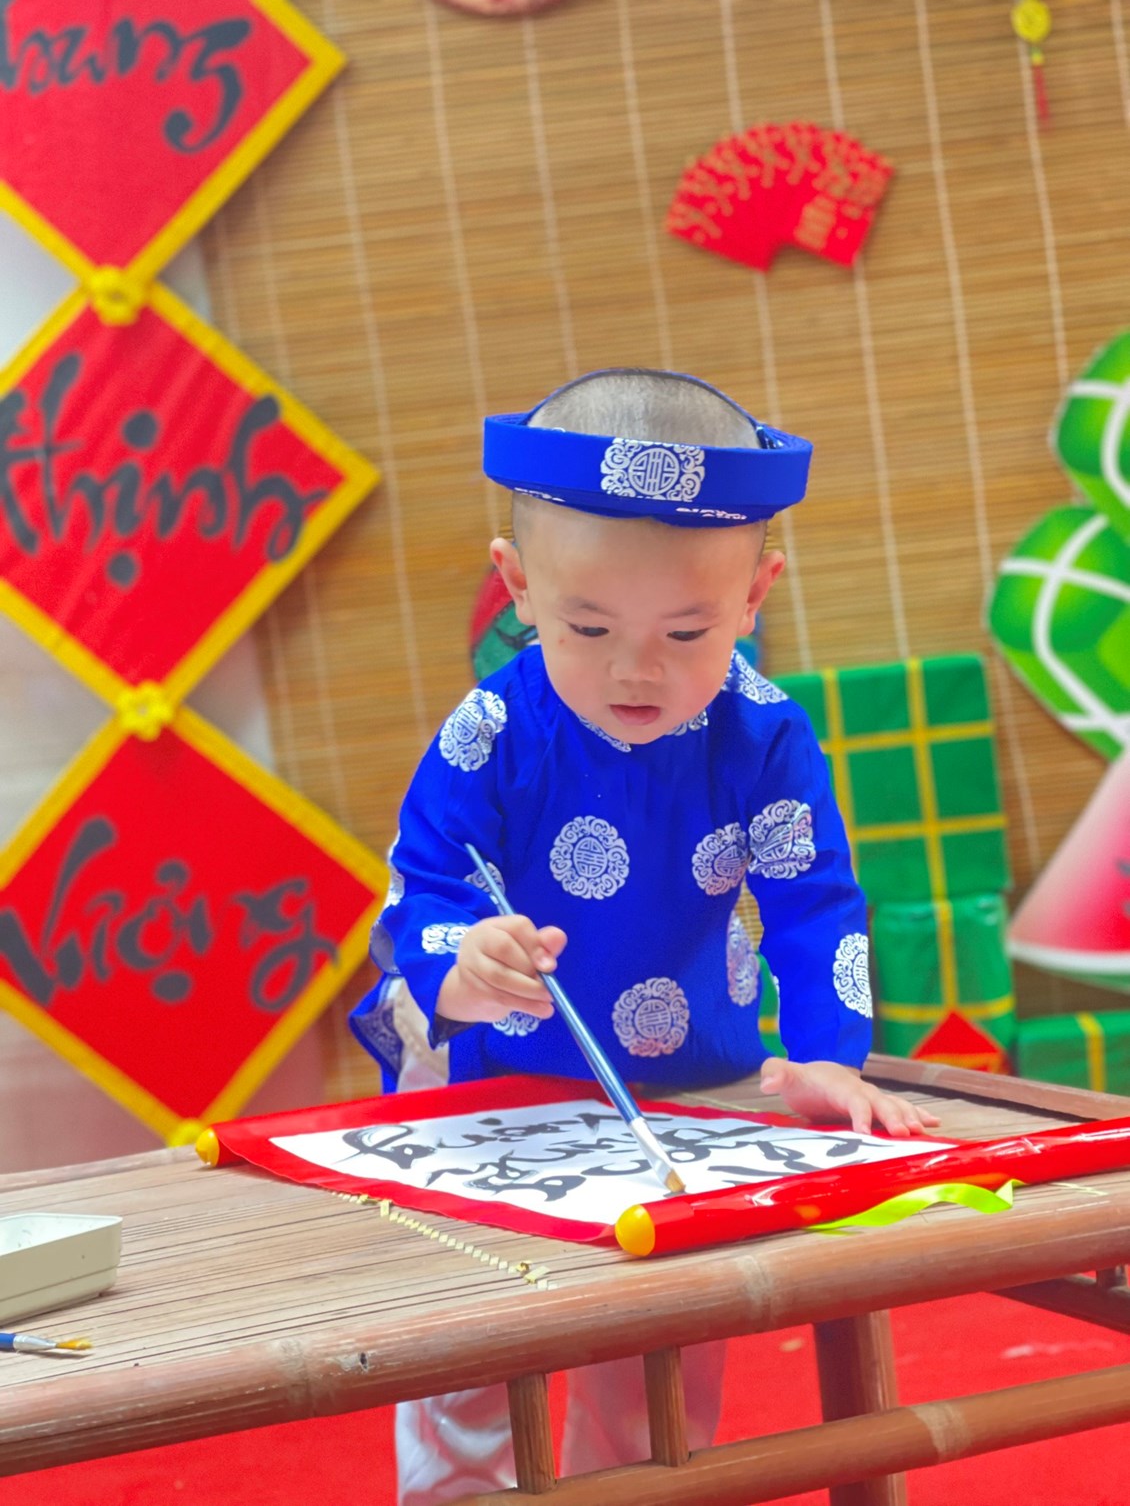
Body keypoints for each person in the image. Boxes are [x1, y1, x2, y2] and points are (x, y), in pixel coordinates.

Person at [351, 367, 939, 1504]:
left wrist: (827, 1056)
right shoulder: (490, 729)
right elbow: (421, 889)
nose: (637, 668)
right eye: (588, 626)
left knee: (655, 1356)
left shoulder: (763, 734)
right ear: (518, 585)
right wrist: (464, 965)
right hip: (497, 1076)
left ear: (755, 595)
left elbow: (815, 902)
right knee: (472, 1343)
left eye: (686, 629)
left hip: (688, 1080)